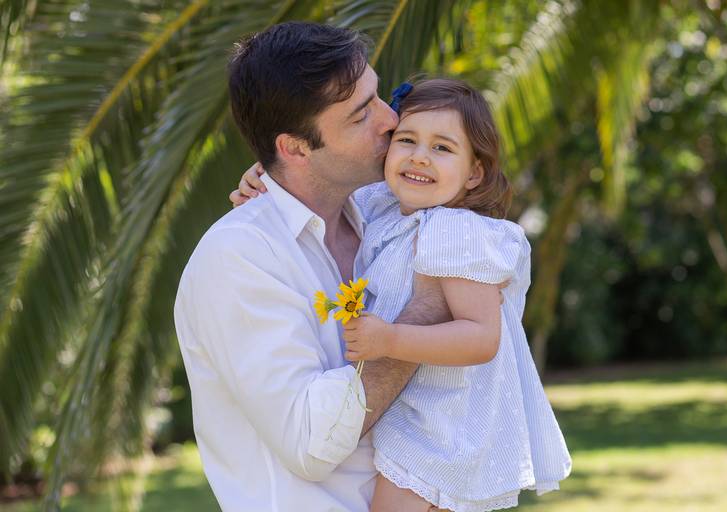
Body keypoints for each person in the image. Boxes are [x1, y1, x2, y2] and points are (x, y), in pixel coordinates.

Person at [233, 79, 572, 512]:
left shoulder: (458, 230)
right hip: (412, 413)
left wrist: (390, 341)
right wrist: (265, 180)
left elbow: (481, 337)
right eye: (406, 140)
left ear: (475, 172)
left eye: (442, 148)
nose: (419, 156)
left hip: (446, 426)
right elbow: (317, 182)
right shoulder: (384, 207)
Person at [174, 22, 453, 512]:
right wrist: (431, 307)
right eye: (360, 114)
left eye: (379, 94)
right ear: (295, 148)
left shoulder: (387, 213)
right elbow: (310, 442)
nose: (391, 120)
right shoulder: (239, 257)